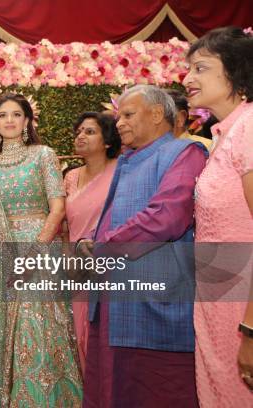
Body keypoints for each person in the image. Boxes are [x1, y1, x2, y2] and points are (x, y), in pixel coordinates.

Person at [79, 85, 207, 407]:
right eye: (118, 115)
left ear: (155, 114)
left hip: (154, 303)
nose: (119, 122)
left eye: (128, 115)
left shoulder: (184, 153)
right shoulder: (130, 160)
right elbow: (117, 217)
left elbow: (167, 216)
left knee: (155, 392)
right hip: (111, 300)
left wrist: (103, 247)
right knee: (110, 390)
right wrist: (91, 240)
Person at [0, 93, 82, 406]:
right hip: (1, 254)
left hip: (40, 249)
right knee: (6, 330)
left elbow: (57, 208)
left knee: (41, 327)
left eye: (16, 114)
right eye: (3, 115)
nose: (9, 121)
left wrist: (36, 249)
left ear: (28, 121)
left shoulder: (43, 155)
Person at [182, 26, 253, 405]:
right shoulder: (225, 133)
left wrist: (251, 331)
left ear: (236, 70)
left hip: (243, 311)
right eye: (188, 68)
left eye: (200, 68)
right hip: (217, 307)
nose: (187, 78)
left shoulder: (250, 127)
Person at [64, 111, 120, 373]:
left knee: (102, 337)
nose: (81, 136)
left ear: (107, 140)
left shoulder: (121, 172)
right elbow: (64, 225)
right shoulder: (71, 177)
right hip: (75, 267)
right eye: (79, 132)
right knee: (77, 336)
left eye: (90, 131)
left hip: (108, 266)